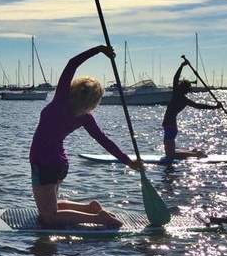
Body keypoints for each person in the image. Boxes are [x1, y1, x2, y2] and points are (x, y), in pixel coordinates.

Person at [29, 45, 144, 227]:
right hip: (58, 163)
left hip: (43, 163)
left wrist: (98, 50)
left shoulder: (60, 100)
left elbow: (72, 64)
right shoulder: (85, 117)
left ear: (76, 87)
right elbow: (104, 141)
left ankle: (98, 219)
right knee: (50, 208)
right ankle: (90, 208)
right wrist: (128, 161)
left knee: (49, 217)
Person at [162, 59, 222, 158]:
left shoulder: (177, 94)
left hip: (170, 127)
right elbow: (199, 106)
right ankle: (192, 152)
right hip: (170, 126)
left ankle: (196, 154)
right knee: (170, 152)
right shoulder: (185, 100)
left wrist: (181, 66)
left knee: (170, 154)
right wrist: (215, 107)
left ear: (180, 87)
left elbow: (175, 78)